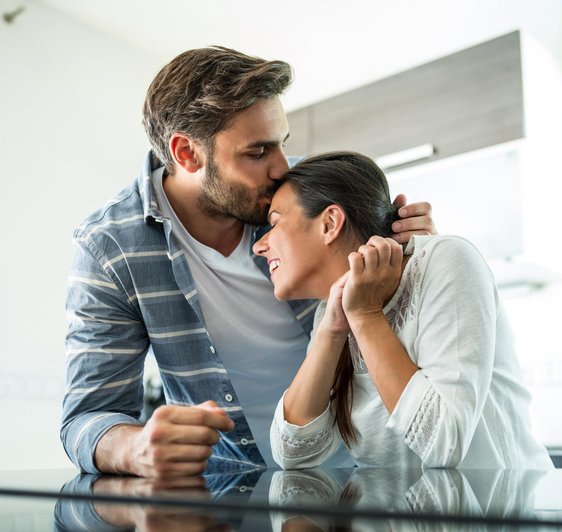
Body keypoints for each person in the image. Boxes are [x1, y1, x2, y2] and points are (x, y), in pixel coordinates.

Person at [61, 46, 435, 479]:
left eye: (281, 144)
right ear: (186, 153)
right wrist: (135, 449)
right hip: (235, 489)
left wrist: (415, 249)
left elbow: (402, 312)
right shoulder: (110, 248)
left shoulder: (308, 197)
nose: (281, 168)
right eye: (257, 153)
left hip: (370, 472)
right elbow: (87, 417)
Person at [255, 151, 553, 470]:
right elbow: (292, 455)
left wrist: (366, 316)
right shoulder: (330, 311)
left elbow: (443, 445)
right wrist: (331, 330)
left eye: (274, 224)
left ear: (329, 223)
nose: (259, 246)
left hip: (494, 511)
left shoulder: (447, 259)